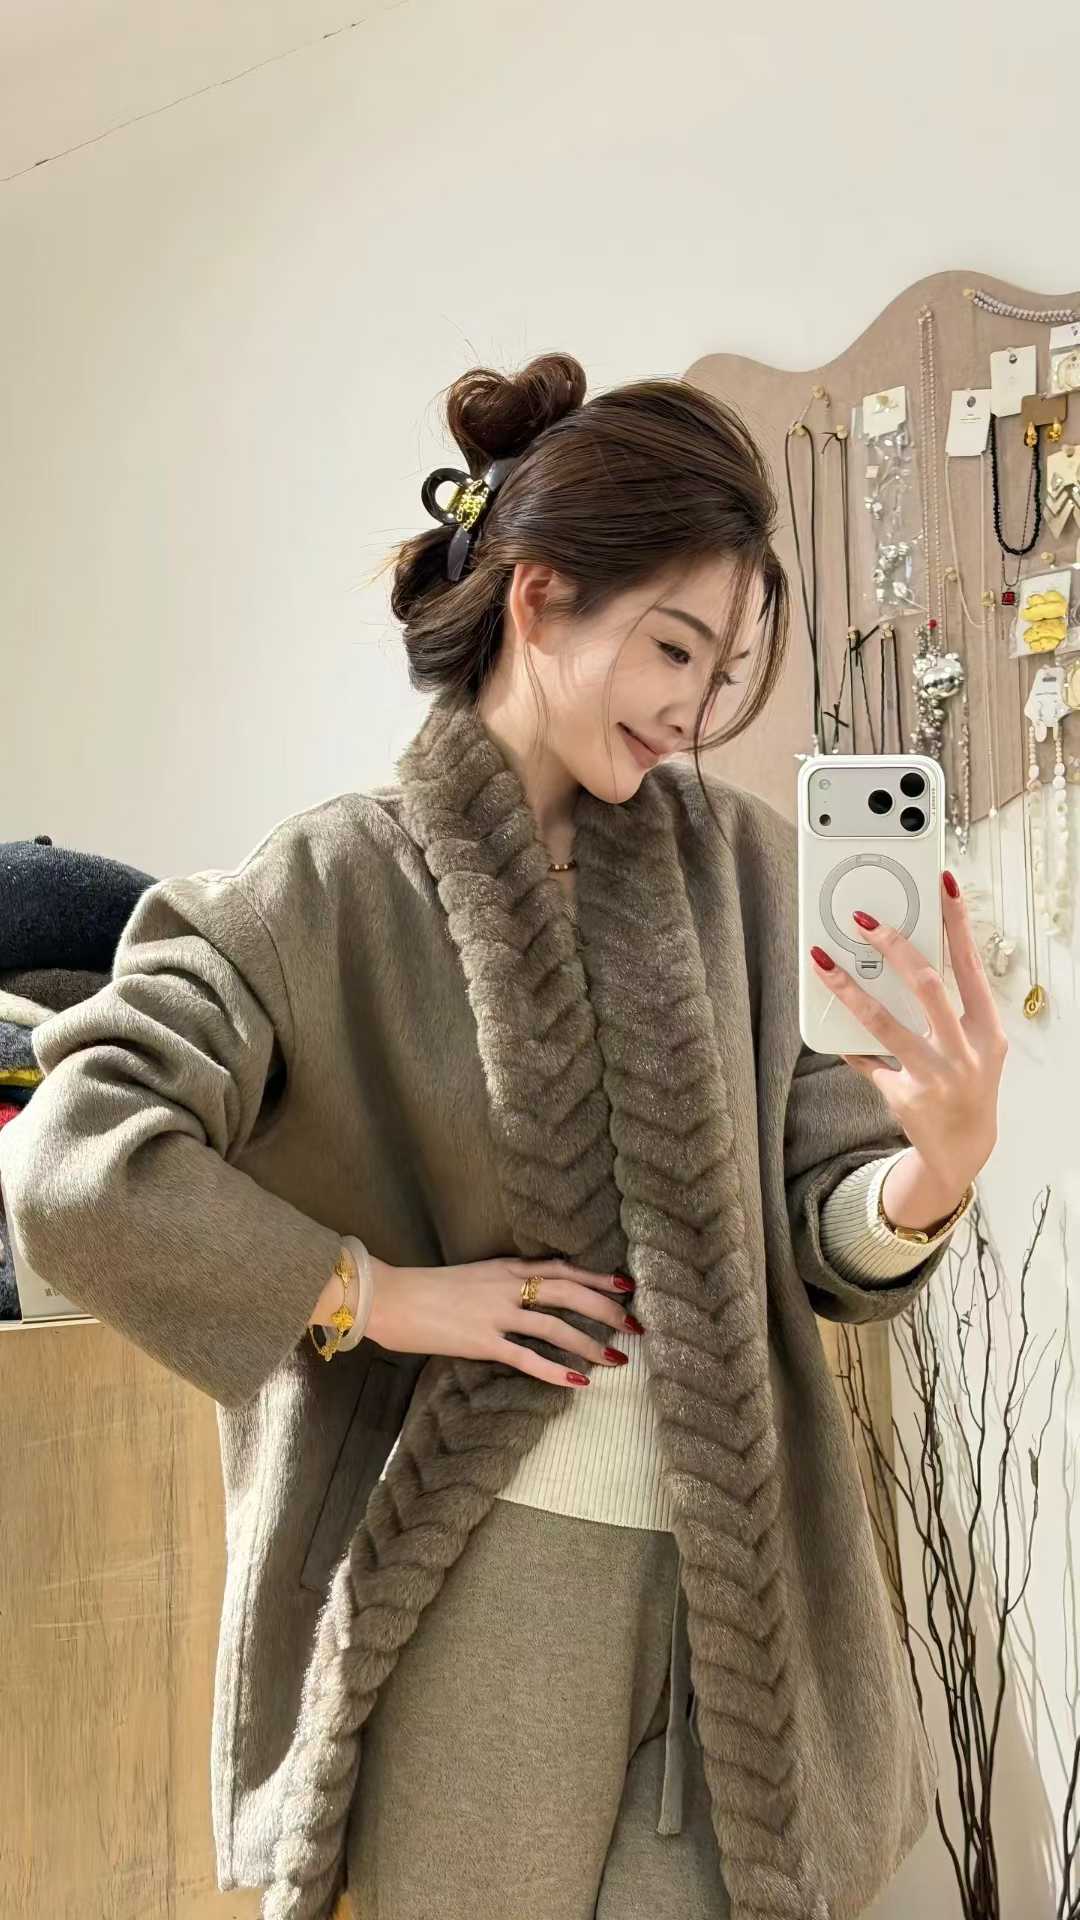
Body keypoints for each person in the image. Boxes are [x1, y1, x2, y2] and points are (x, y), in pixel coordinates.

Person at [0, 353, 1006, 1920]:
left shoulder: (745, 873)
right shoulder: (327, 885)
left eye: (726, 671)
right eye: (673, 648)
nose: (696, 710)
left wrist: (934, 1171)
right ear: (539, 600)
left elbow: (825, 1211)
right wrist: (378, 1296)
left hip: (730, 1617)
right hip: (482, 1597)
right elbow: (77, 1158)